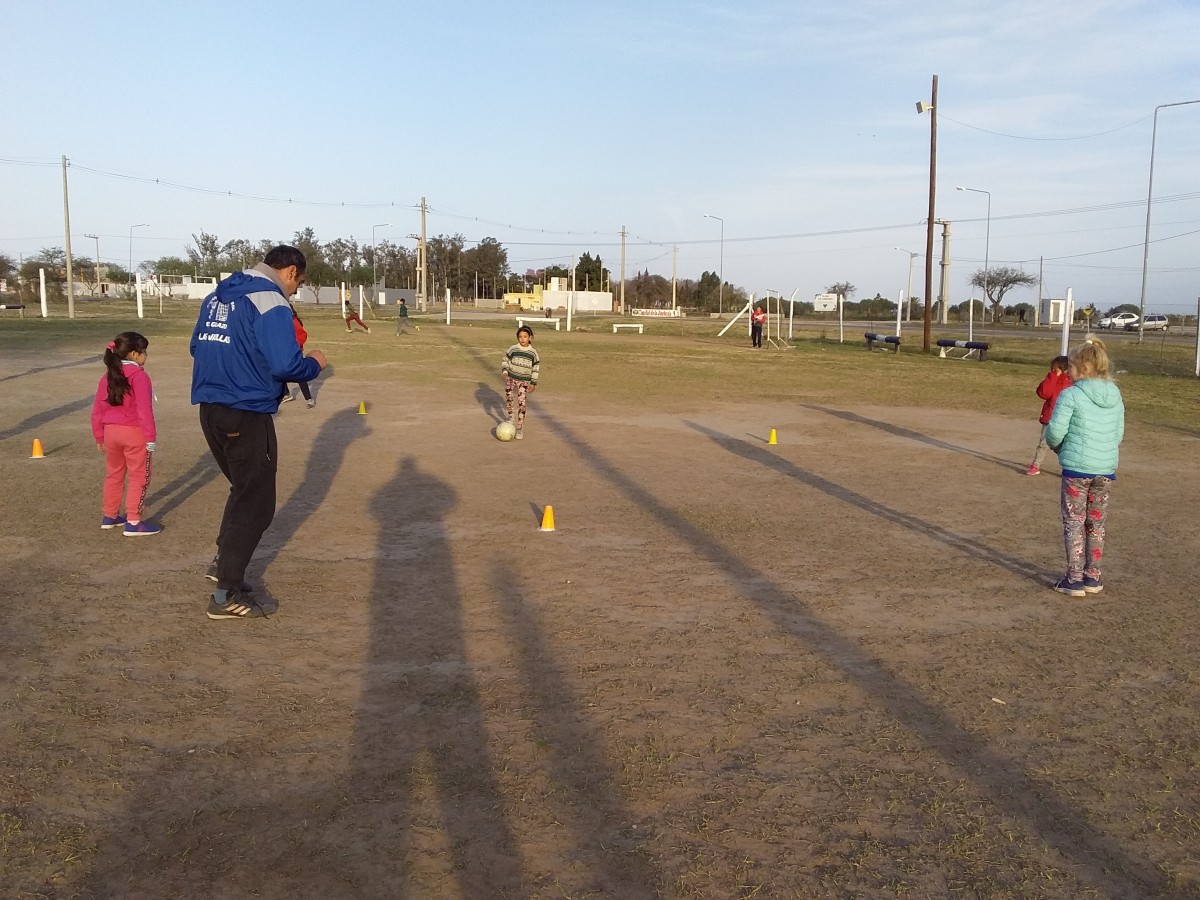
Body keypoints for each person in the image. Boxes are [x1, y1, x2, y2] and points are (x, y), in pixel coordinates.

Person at [191, 245, 328, 620]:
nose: (296, 290)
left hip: (210, 408)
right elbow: (286, 365)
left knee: (243, 489)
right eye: (299, 282)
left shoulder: (217, 296)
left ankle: (223, 564)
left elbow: (196, 346)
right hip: (246, 412)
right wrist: (314, 364)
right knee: (257, 503)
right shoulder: (271, 300)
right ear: (290, 271)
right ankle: (225, 595)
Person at [1044, 338, 1124, 598]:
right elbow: (1118, 433)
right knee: (1096, 524)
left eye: (1071, 366)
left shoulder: (1071, 394)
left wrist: (1057, 448)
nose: (1068, 371)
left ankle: (1074, 579)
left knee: (1074, 522)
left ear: (1084, 368)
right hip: (1105, 469)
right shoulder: (1115, 394)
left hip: (1077, 471)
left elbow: (1055, 431)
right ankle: (1093, 576)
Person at [91, 331, 160, 536]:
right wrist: (150, 437)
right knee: (139, 476)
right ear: (134, 354)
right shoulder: (139, 377)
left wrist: (99, 435)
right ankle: (134, 521)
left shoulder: (107, 376)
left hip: (111, 432)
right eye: (144, 351)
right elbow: (144, 410)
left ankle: (110, 515)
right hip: (134, 433)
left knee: (114, 474)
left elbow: (98, 409)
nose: (146, 356)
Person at [1025, 355, 1072, 475]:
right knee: (1043, 443)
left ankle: (1069, 469)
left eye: (1056, 368)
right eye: (1053, 369)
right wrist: (1053, 376)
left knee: (1066, 446)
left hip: (1066, 418)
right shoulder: (1052, 379)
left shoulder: (1071, 381)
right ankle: (1036, 465)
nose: (1053, 370)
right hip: (1050, 417)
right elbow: (1043, 393)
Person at [502, 324, 539, 440]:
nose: (522, 339)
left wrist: (533, 383)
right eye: (520, 337)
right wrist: (505, 372)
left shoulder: (533, 353)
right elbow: (506, 360)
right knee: (509, 397)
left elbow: (535, 368)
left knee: (522, 403)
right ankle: (511, 417)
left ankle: (520, 427)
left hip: (524, 381)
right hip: (511, 378)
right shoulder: (513, 349)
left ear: (530, 338)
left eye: (525, 337)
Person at [280, 301, 316, 408]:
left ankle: (309, 399)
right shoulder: (282, 321)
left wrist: (294, 345)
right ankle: (286, 394)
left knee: (299, 375)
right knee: (280, 372)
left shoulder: (294, 321)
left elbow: (303, 335)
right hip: (285, 351)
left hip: (295, 351)